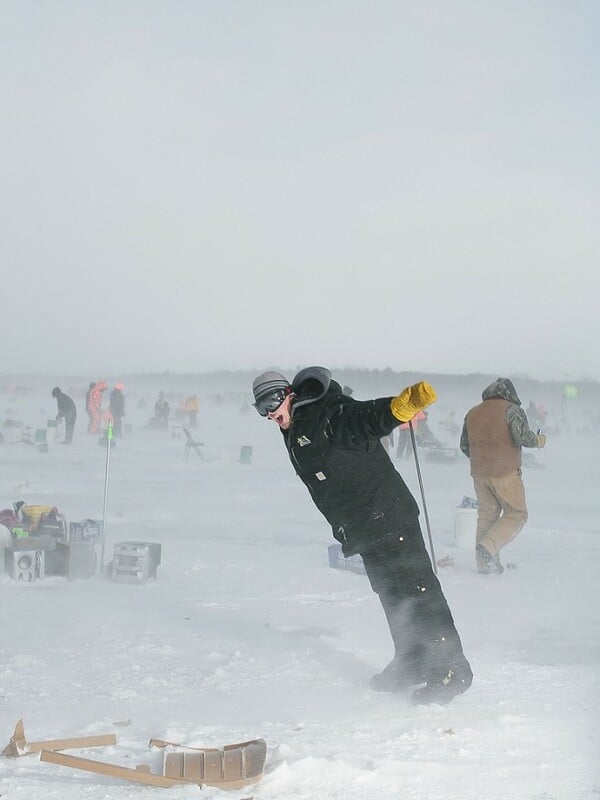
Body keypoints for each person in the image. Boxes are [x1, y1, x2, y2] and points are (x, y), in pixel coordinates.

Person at [252, 367, 472, 705]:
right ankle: (411, 660)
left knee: (419, 590)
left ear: (289, 393)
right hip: (363, 528)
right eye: (261, 407)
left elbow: (364, 418)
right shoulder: (294, 428)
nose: (270, 413)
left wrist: (397, 409)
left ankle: (451, 671)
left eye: (272, 401)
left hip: (389, 516)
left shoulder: (327, 413)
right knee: (393, 596)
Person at [460, 378, 546, 575]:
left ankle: (484, 565)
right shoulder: (511, 409)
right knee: (517, 513)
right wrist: (539, 440)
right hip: (505, 472)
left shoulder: (472, 413)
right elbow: (522, 437)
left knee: (487, 514)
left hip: (479, 474)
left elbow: (464, 446)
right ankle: (489, 548)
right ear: (510, 393)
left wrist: (482, 460)